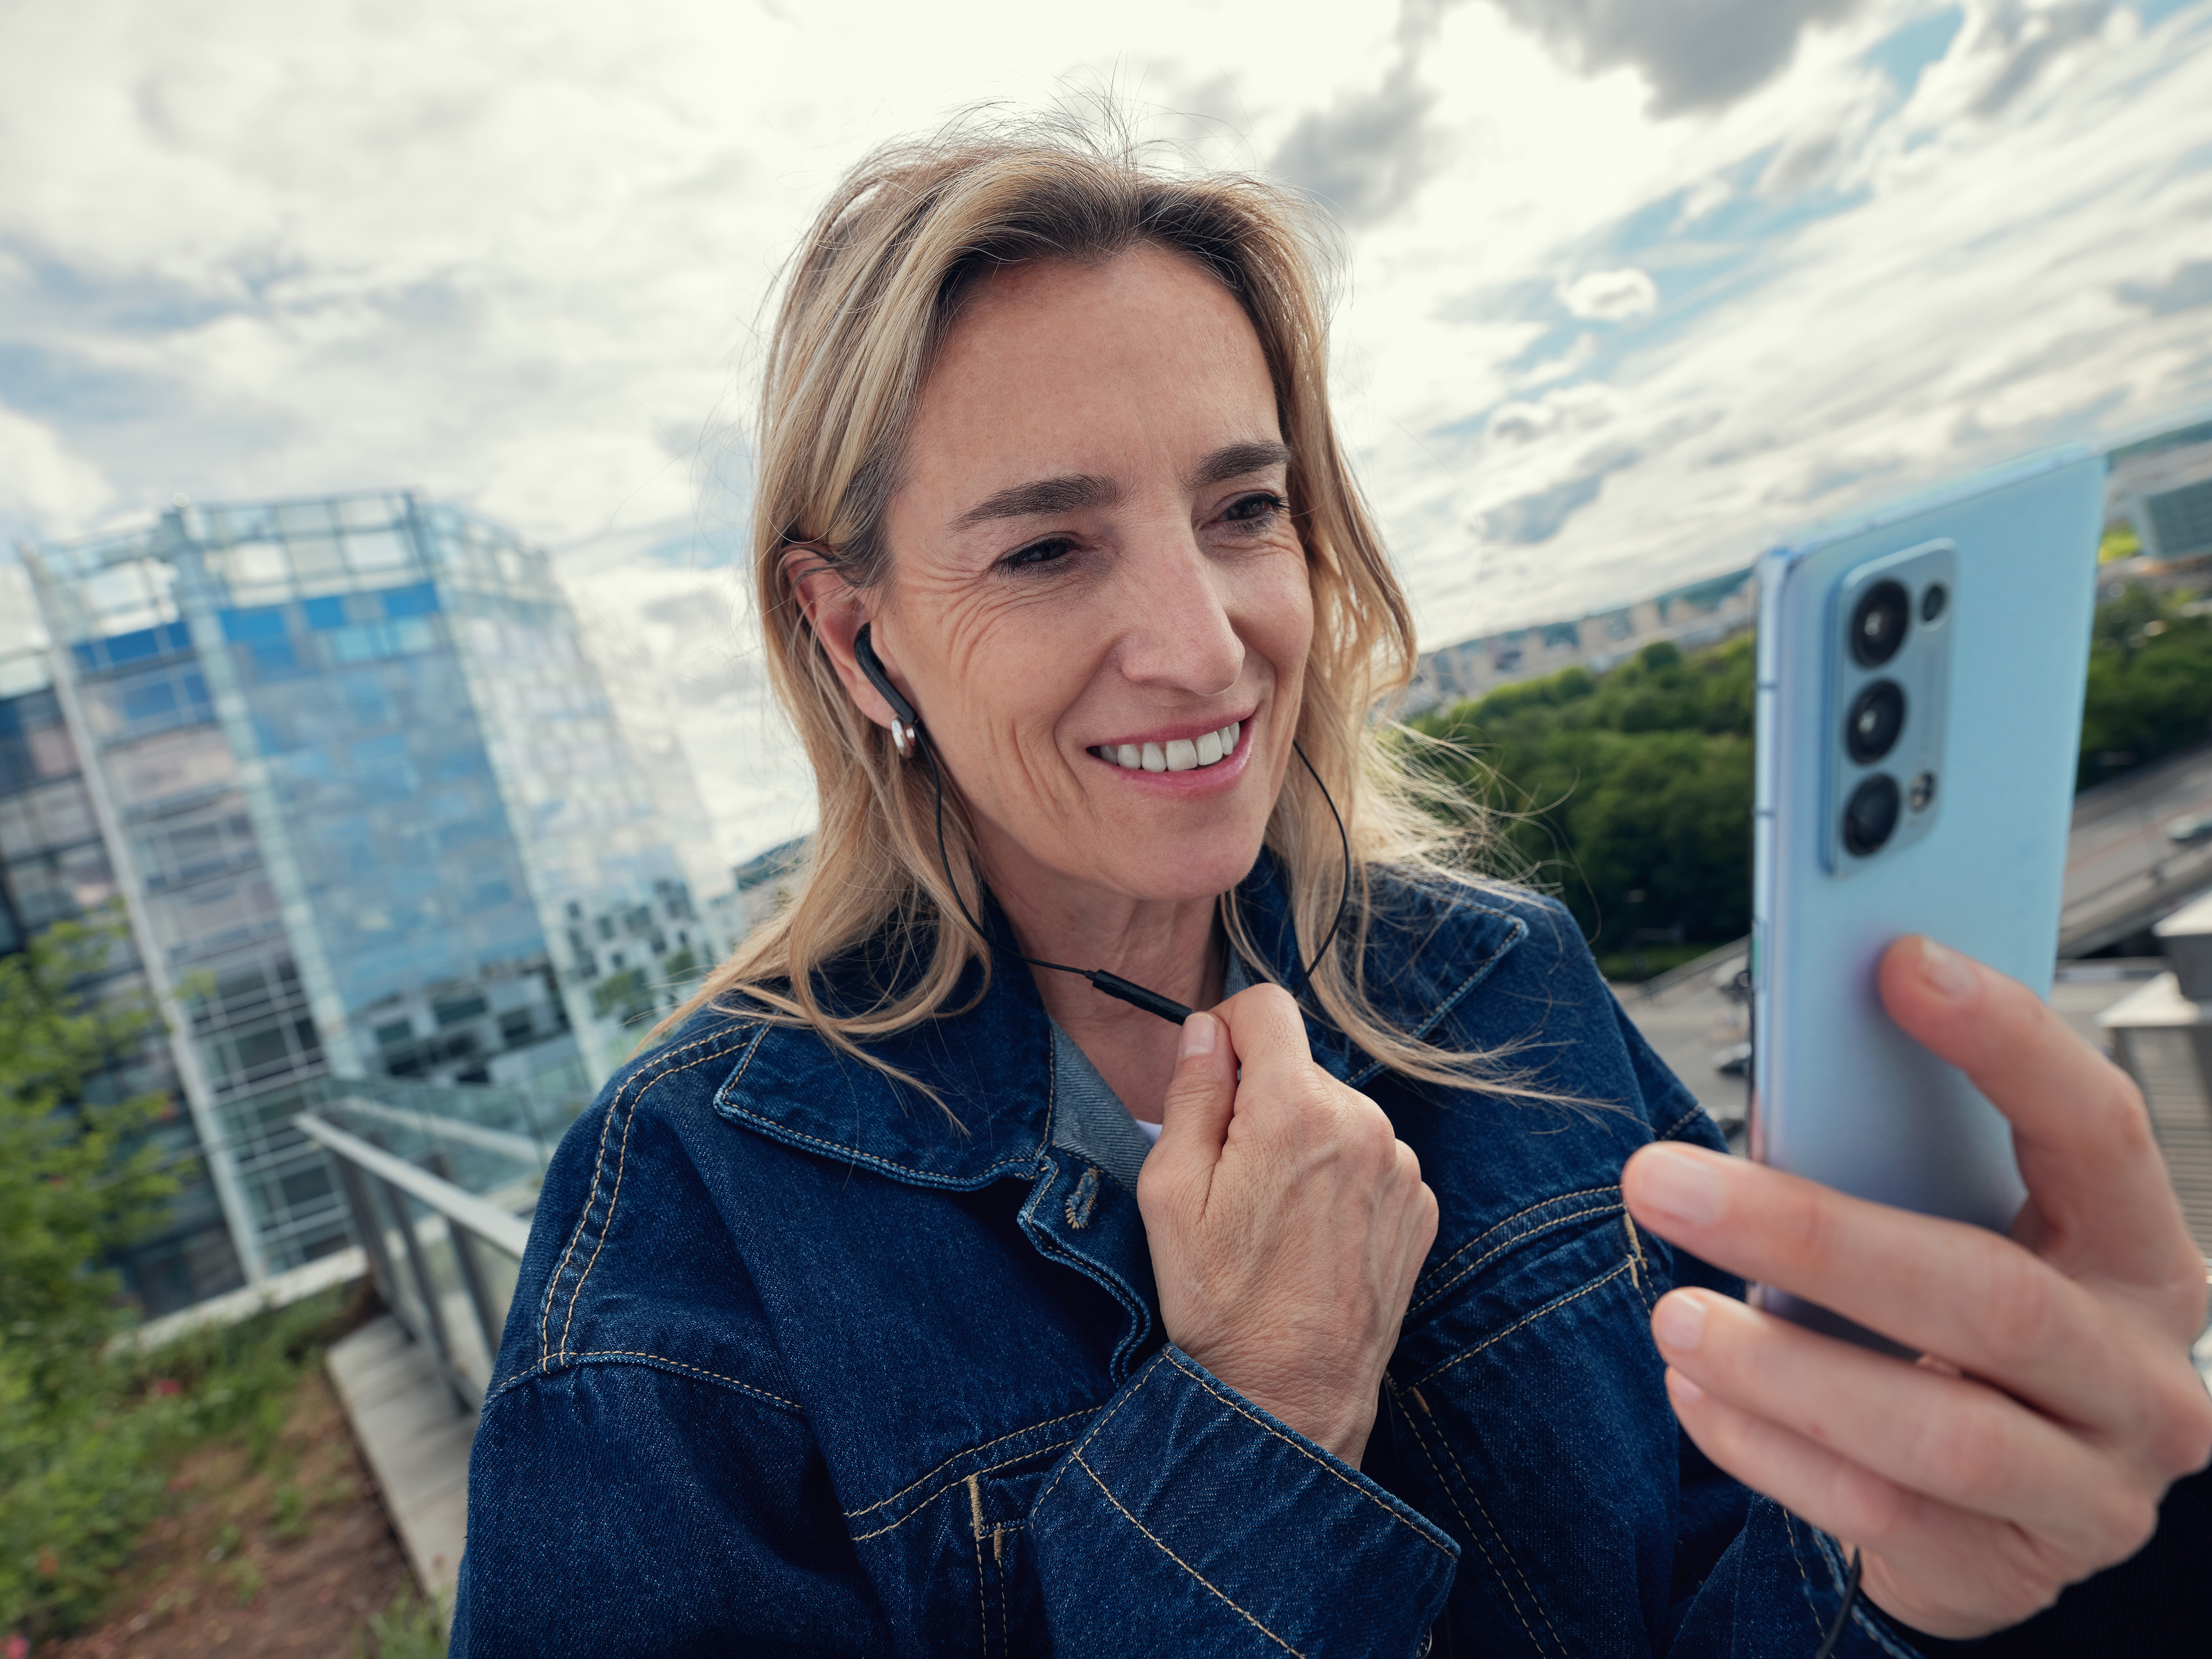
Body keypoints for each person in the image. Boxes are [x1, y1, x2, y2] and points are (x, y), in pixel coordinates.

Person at [450, 116, 2211, 1657]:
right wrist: (1259, 1416)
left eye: (1243, 510)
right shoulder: (696, 1210)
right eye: (1052, 548)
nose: (1205, 644)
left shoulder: (1500, 985)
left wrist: (1961, 1559)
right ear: (857, 639)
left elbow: (1755, 1582)